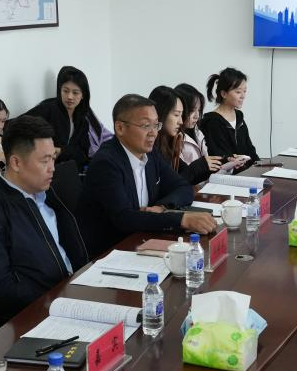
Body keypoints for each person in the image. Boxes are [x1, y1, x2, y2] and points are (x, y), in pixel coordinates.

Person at [0, 115, 88, 316]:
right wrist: (59, 299)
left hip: (76, 289)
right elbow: (3, 292)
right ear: (16, 162)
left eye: (53, 158)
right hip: (44, 310)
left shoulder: (49, 193)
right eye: (44, 161)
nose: (52, 168)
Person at [78, 94, 216, 255]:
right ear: (120, 128)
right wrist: (182, 219)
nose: (153, 133)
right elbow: (124, 218)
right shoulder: (106, 163)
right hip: (111, 251)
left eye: (156, 125)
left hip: (143, 240)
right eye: (145, 126)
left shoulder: (150, 155)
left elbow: (183, 186)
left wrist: (162, 208)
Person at [24, 66, 112, 168]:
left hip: (67, 171)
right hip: (43, 169)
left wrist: (62, 151)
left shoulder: (83, 120)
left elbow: (83, 155)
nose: (70, 97)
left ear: (83, 95)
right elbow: (16, 126)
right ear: (60, 90)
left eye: (75, 93)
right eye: (65, 91)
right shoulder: (48, 109)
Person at [149, 85, 218, 184]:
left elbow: (185, 175)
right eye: (176, 115)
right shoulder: (151, 146)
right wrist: (200, 166)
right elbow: (167, 185)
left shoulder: (170, 142)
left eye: (181, 115)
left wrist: (212, 166)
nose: (181, 121)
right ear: (161, 113)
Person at [200, 67, 259, 166]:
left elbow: (250, 149)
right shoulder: (213, 122)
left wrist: (260, 165)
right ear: (224, 94)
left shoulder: (239, 116)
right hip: (228, 173)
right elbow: (221, 157)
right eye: (238, 92)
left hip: (246, 170)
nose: (243, 96)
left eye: (244, 91)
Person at [175, 82, 219, 172]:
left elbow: (208, 165)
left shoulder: (198, 132)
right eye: (192, 110)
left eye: (199, 110)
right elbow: (184, 174)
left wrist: (228, 165)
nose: (197, 116)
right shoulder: (175, 138)